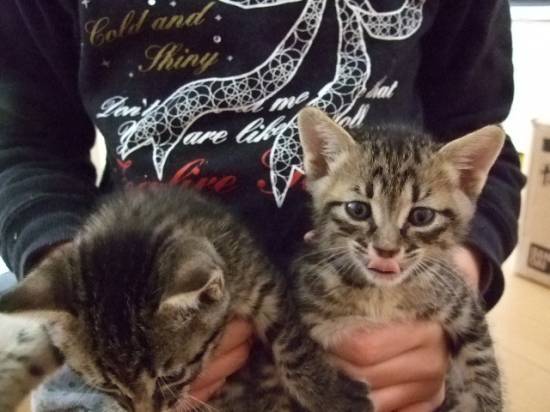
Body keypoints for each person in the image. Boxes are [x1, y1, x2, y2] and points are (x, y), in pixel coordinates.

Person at [0, 0, 525, 411]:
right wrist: (93, 301)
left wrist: (447, 287)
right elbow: (24, 146)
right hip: (133, 335)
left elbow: (480, 146)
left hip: (386, 346)